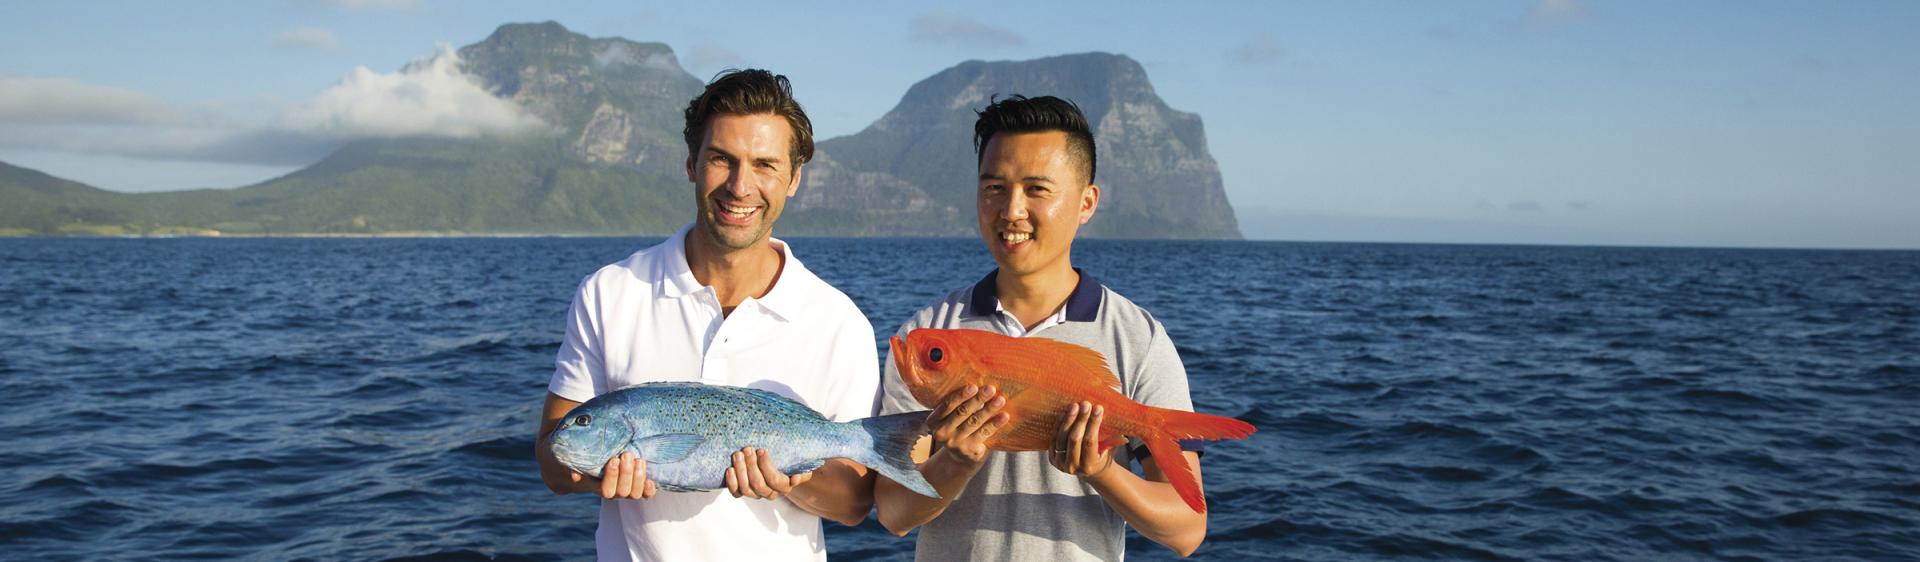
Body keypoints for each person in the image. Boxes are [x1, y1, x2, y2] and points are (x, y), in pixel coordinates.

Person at [535, 69, 881, 562]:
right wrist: (595, 476)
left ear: (794, 177)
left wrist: (787, 482)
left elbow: (852, 505)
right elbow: (553, 460)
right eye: (722, 159)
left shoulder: (839, 321)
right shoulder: (610, 292)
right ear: (692, 164)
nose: (741, 186)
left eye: (765, 164)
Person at [872, 95, 1212, 560]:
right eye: (994, 188)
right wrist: (954, 461)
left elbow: (1187, 529)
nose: (1011, 210)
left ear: (1086, 202)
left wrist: (1100, 470)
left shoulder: (1137, 337)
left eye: (1037, 189)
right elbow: (891, 512)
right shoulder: (929, 334)